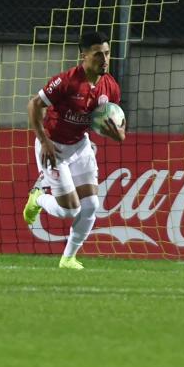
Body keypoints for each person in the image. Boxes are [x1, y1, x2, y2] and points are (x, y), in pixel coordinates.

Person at [21, 30, 125, 269]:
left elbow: (118, 120)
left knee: (90, 206)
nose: (105, 59)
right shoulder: (67, 81)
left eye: (107, 54)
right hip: (53, 149)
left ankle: (68, 258)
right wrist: (44, 141)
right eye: (98, 54)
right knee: (70, 210)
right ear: (84, 55)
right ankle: (38, 198)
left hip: (80, 147)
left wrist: (119, 134)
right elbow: (33, 106)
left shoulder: (110, 87)